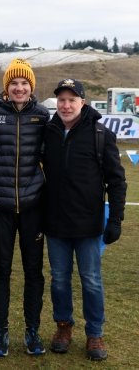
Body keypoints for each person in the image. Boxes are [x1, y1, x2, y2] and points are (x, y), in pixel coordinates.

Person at [42, 79, 127, 361]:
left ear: (83, 103)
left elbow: (117, 181)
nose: (66, 105)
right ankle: (63, 327)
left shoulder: (100, 133)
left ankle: (95, 334)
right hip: (55, 224)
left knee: (91, 280)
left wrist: (115, 219)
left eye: (72, 100)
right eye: (61, 100)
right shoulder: (48, 131)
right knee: (59, 281)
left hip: (89, 225)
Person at [0, 58, 49, 356]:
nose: (19, 87)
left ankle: (32, 330)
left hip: (33, 207)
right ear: (6, 87)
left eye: (24, 83)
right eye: (14, 83)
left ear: (31, 87)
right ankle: (1, 330)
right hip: (1, 207)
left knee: (34, 271)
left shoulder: (42, 115)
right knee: (0, 270)